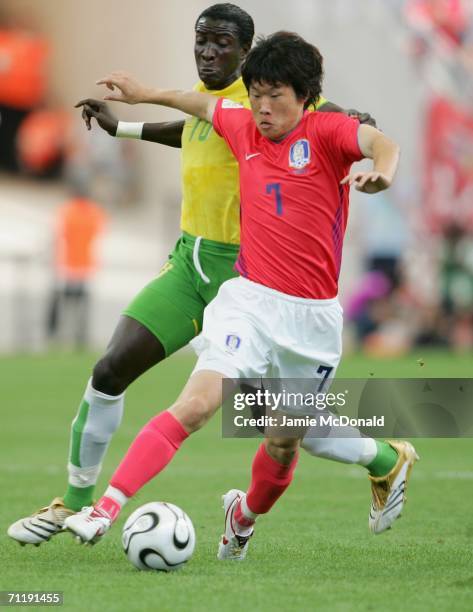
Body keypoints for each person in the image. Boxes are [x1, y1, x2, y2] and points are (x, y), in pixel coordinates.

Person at [7, 3, 391, 548]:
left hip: (255, 273)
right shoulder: (215, 105)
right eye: (201, 41)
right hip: (191, 263)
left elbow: (339, 123)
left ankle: (381, 455)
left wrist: (365, 131)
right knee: (112, 368)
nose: (209, 52)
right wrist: (128, 127)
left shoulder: (274, 98)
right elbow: (192, 127)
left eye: (222, 44)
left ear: (248, 51)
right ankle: (74, 500)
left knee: (283, 430)